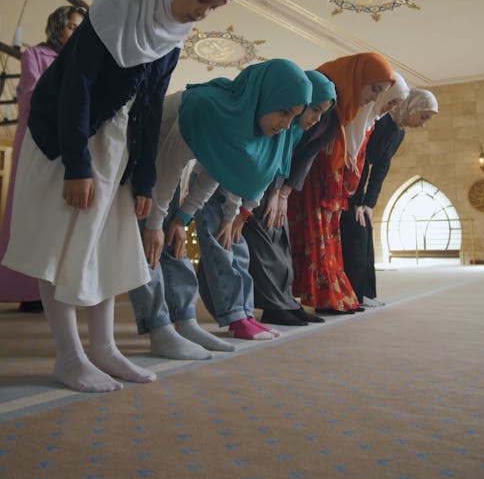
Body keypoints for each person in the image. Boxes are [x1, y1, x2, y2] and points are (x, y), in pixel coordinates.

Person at [1, 0, 238, 392]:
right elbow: (76, 88)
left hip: (117, 150)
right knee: (62, 245)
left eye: (214, 6)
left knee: (106, 246)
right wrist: (76, 166)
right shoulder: (113, 10)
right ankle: (69, 356)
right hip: (66, 142)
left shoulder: (172, 36)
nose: (203, 12)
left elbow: (149, 113)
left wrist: (145, 182)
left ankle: (105, 349)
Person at [132, 59, 313, 347]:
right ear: (266, 98)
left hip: (173, 167)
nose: (286, 125)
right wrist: (156, 221)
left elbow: (217, 172)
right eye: (284, 113)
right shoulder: (206, 109)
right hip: (142, 156)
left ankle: (185, 320)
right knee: (148, 241)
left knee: (173, 238)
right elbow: (167, 166)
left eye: (294, 117)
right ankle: (159, 328)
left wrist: (183, 216)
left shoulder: (249, 124)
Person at [288, 52, 395, 313]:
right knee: (314, 234)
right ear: (357, 79)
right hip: (306, 185)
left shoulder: (344, 115)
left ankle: (329, 292)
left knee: (327, 234)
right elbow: (303, 150)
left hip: (319, 187)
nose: (374, 98)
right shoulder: (326, 107)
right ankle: (321, 294)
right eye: (374, 89)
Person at [0, 5, 85, 311]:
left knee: (60, 212)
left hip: (66, 142)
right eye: (73, 26)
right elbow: (33, 95)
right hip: (37, 139)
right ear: (58, 26)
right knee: (31, 211)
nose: (78, 33)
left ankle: (59, 287)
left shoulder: (79, 61)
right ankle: (28, 290)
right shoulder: (35, 55)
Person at [242, 70, 337, 326]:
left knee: (281, 241)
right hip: (251, 189)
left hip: (271, 188)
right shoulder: (278, 121)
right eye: (314, 110)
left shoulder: (294, 129)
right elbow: (265, 159)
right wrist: (272, 193)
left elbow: (288, 162)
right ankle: (274, 305)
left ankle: (285, 301)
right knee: (266, 242)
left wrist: (280, 193)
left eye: (321, 114)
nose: (317, 119)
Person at [341, 88, 438, 307]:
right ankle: (352, 294)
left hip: (358, 195)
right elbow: (361, 159)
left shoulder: (398, 131)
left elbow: (381, 167)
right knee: (355, 237)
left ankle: (364, 293)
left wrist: (368, 204)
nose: (422, 124)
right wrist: (356, 200)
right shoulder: (381, 122)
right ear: (412, 106)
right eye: (423, 117)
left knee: (365, 235)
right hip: (347, 189)